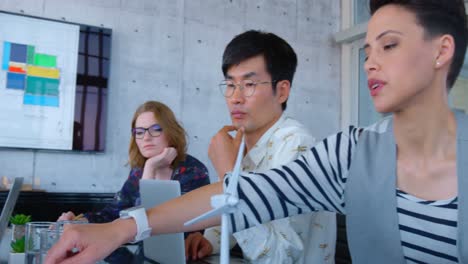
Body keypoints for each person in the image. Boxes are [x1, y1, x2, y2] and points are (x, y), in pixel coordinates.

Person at [45, 1, 468, 263]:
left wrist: (229, 166)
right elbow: (243, 197)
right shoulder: (351, 151)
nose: (370, 63)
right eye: (368, 49)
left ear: (441, 51)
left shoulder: (294, 141)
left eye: (388, 46)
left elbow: (277, 248)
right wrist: (119, 229)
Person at [184, 30, 336, 263]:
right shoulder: (243, 145)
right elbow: (239, 223)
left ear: (282, 91)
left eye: (249, 84)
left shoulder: (296, 144)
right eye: (230, 84)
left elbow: (279, 257)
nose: (235, 97)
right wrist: (211, 241)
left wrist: (227, 175)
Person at [57, 100, 210, 224]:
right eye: (139, 132)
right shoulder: (138, 171)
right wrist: (79, 222)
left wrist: (150, 167)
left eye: (155, 129)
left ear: (170, 132)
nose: (146, 137)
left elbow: (151, 222)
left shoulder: (193, 171)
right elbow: (114, 212)